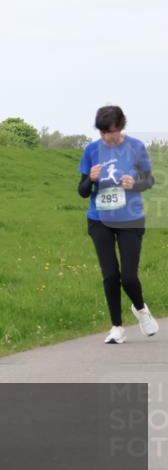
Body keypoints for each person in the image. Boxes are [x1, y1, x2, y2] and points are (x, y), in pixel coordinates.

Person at [78, 105, 159, 344]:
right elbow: (82, 191)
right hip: (99, 219)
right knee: (110, 275)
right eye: (102, 132)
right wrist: (90, 180)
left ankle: (141, 310)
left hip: (130, 219)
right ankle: (116, 327)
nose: (106, 137)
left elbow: (149, 180)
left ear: (121, 127)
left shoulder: (136, 147)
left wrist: (134, 182)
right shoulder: (91, 150)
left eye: (110, 132)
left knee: (129, 277)